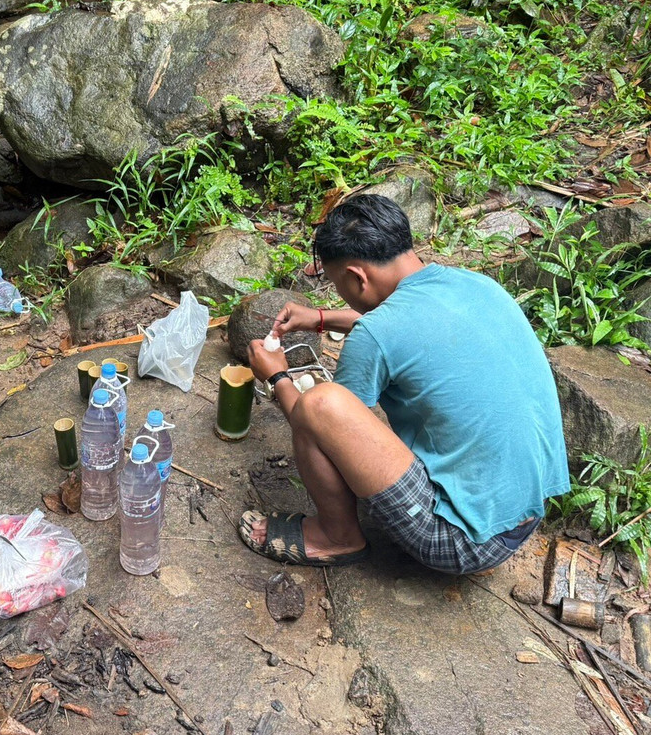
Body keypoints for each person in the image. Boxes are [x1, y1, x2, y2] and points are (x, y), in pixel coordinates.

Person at [240, 194, 569, 575]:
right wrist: (320, 318)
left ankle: (336, 536)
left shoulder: (375, 334)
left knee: (319, 403)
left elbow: (322, 423)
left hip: (465, 541)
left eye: (337, 283)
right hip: (525, 511)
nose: (340, 292)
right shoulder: (474, 285)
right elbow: (406, 323)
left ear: (357, 277)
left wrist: (277, 376)